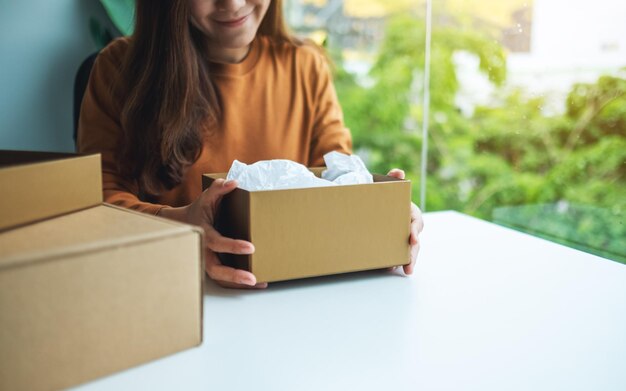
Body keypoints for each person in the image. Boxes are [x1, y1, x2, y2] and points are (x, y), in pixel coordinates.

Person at [78, 0, 423, 289]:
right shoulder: (118, 71)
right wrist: (182, 225)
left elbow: (337, 178)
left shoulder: (305, 67)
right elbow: (95, 206)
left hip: (289, 305)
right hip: (168, 293)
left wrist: (379, 212)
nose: (233, 4)